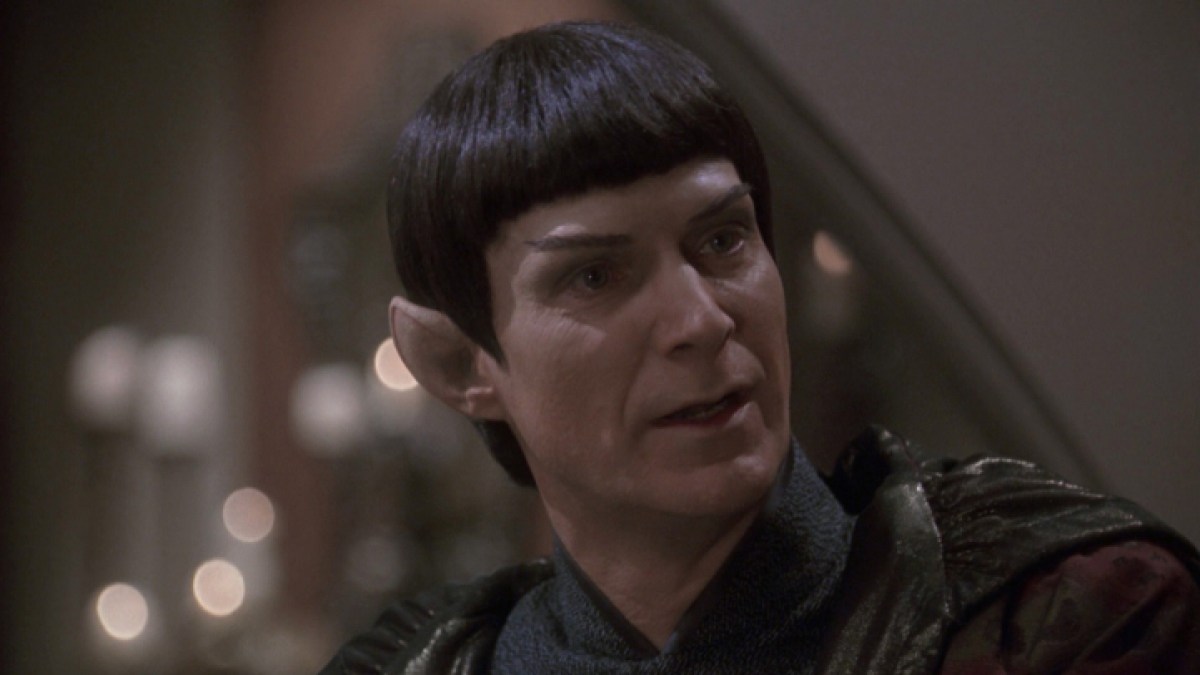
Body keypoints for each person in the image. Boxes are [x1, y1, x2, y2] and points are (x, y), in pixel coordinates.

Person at [321, 21, 1200, 674]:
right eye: (594, 276)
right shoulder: (423, 664)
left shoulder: (1048, 614)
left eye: (723, 240)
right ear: (460, 364)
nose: (701, 320)